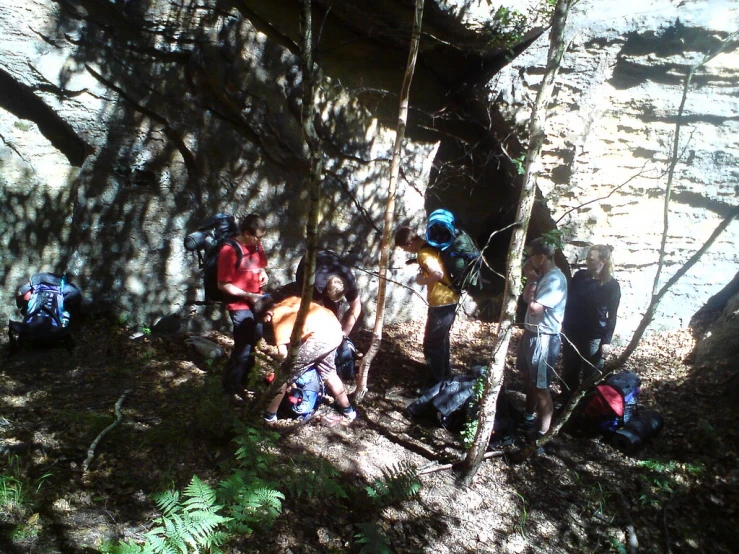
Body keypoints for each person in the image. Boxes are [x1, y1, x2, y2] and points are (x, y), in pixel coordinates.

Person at [254, 295, 357, 423]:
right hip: (335, 331)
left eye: (265, 320)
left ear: (268, 313)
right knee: (329, 372)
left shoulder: (278, 315)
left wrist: (287, 369)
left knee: (283, 375)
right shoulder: (289, 300)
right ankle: (348, 411)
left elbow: (283, 353)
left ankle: (269, 415)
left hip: (321, 338)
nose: (267, 323)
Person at [394, 226, 459, 386]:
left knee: (432, 345)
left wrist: (421, 280)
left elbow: (437, 274)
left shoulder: (423, 253)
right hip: (450, 299)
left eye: (404, 248)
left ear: (409, 243)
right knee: (441, 341)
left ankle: (435, 385)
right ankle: (445, 378)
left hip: (441, 302)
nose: (405, 251)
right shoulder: (430, 246)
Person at [518, 238, 568, 441]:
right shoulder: (543, 276)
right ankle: (528, 418)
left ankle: (542, 436)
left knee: (541, 387)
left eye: (531, 256)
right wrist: (531, 281)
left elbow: (535, 309)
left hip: (544, 337)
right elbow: (525, 299)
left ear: (541, 257)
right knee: (529, 379)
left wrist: (532, 280)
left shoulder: (554, 280)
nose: (529, 261)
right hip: (530, 333)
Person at [217, 213, 269, 401]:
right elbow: (223, 284)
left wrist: (263, 274)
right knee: (243, 346)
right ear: (246, 233)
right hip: (239, 304)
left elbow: (260, 266)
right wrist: (248, 295)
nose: (259, 241)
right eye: (257, 237)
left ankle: (246, 381)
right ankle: (230, 388)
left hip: (256, 301)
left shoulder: (256, 245)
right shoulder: (229, 250)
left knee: (255, 339)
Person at [560, 245, 621, 401]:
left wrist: (606, 341)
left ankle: (586, 407)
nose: (586, 261)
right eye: (587, 258)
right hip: (572, 331)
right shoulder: (580, 276)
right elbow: (568, 301)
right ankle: (566, 401)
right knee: (569, 370)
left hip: (593, 336)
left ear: (603, 261)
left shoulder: (611, 286)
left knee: (591, 374)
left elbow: (612, 315)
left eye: (590, 259)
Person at [294, 250, 362, 336]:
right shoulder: (318, 283)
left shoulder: (349, 280)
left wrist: (345, 333)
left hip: (332, 257)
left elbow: (356, 307)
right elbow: (314, 310)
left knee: (332, 311)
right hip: (308, 262)